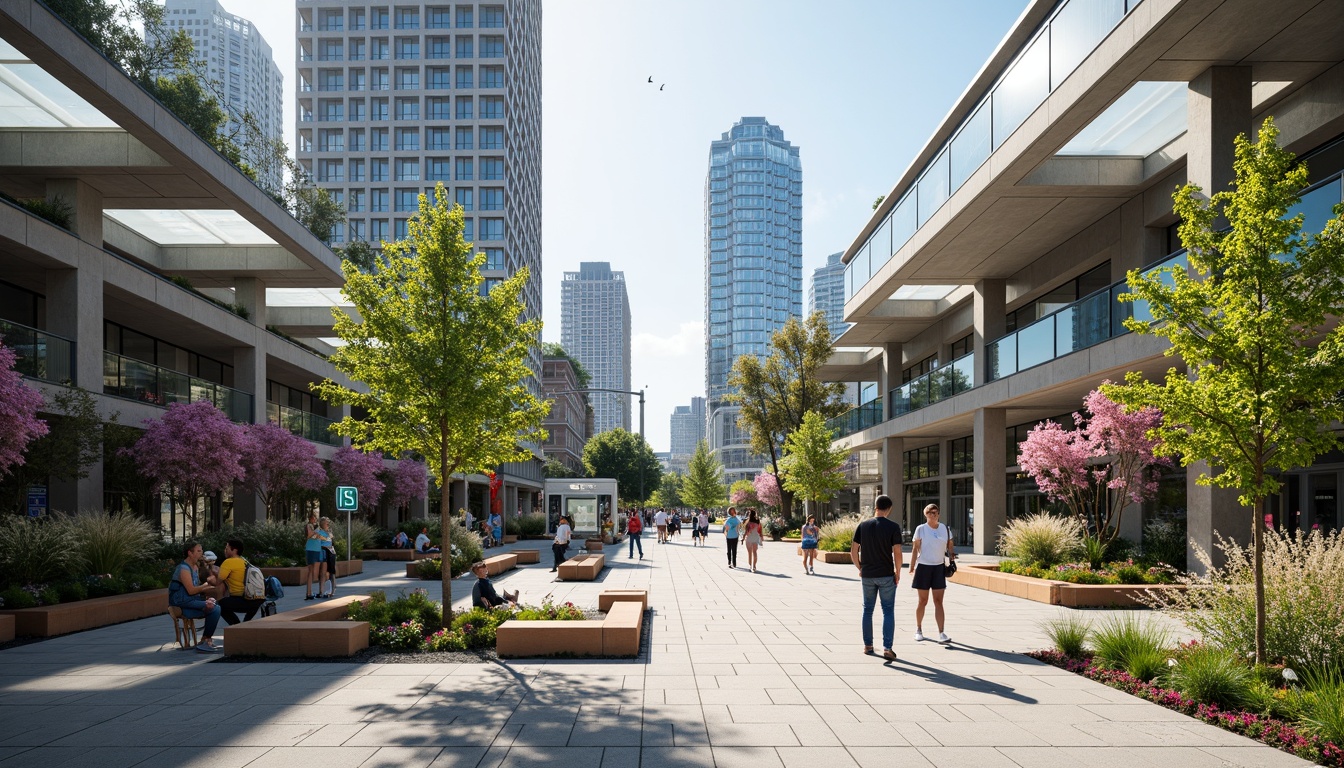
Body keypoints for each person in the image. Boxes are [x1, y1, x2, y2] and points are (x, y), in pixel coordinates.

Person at [851, 495, 903, 660]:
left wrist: (860, 567)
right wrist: (898, 572)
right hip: (886, 574)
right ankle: (887, 648)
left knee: (867, 610)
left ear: (876, 506)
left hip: (868, 575)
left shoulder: (863, 525)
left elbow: (853, 551)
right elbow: (897, 553)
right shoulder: (893, 527)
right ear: (889, 509)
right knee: (888, 611)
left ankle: (868, 646)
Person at [909, 503, 954, 643]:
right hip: (923, 567)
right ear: (925, 514)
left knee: (938, 601)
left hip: (939, 567)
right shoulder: (921, 529)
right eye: (929, 512)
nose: (932, 515)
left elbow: (950, 546)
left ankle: (941, 633)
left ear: (939, 514)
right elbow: (915, 549)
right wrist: (911, 566)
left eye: (935, 512)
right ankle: (918, 629)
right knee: (923, 601)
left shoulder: (944, 529)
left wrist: (952, 559)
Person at [168, 541, 222, 653]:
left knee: (214, 606)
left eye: (201, 550)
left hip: (191, 600)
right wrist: (206, 586)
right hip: (182, 603)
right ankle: (206, 640)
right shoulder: (183, 568)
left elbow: (197, 590)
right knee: (215, 608)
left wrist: (207, 597)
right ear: (190, 553)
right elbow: (191, 590)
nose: (201, 553)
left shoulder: (195, 567)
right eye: (198, 551)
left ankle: (205, 640)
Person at [215, 538, 265, 625]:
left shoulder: (229, 562)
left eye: (227, 548)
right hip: (257, 600)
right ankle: (240, 627)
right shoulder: (245, 561)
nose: (225, 550)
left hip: (244, 599)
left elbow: (218, 582)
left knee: (220, 605)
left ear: (234, 550)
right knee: (245, 624)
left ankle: (236, 626)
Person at [304, 511, 324, 600]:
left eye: (315, 518)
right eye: (313, 518)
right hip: (311, 549)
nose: (314, 519)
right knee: (310, 571)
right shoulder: (309, 526)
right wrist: (315, 532)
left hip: (317, 549)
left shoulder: (317, 528)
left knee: (318, 571)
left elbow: (320, 537)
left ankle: (318, 591)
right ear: (310, 518)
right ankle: (308, 592)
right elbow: (309, 535)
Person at [319, 517, 338, 599]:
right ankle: (323, 590)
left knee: (332, 570)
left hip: (331, 551)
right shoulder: (319, 532)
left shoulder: (329, 532)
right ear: (322, 524)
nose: (328, 525)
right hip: (323, 551)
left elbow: (332, 541)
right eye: (326, 523)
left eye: (328, 523)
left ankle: (333, 589)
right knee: (323, 571)